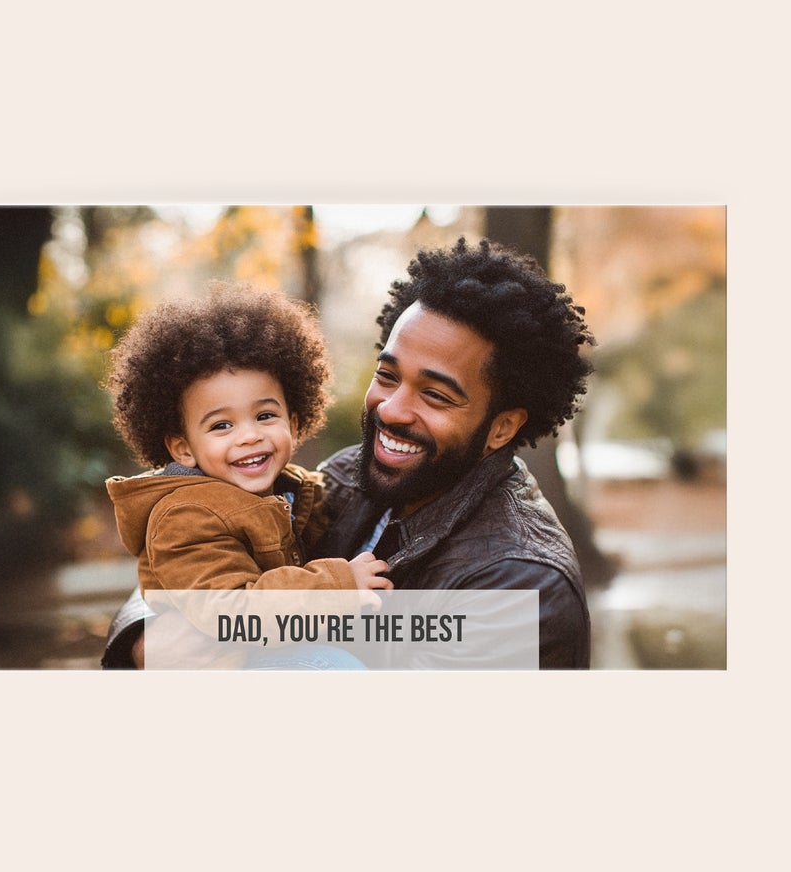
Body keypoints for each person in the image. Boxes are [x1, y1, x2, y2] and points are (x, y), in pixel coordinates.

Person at [103, 237, 595, 669]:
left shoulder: (519, 584)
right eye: (388, 376)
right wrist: (145, 640)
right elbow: (193, 568)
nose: (392, 409)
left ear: (502, 427)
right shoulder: (344, 478)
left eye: (435, 395)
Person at [103, 282, 390, 668]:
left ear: (294, 422)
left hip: (264, 656)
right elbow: (235, 613)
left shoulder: (296, 489)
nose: (249, 436)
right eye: (221, 425)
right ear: (183, 448)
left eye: (265, 415)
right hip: (224, 668)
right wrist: (339, 585)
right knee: (332, 667)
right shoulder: (185, 516)